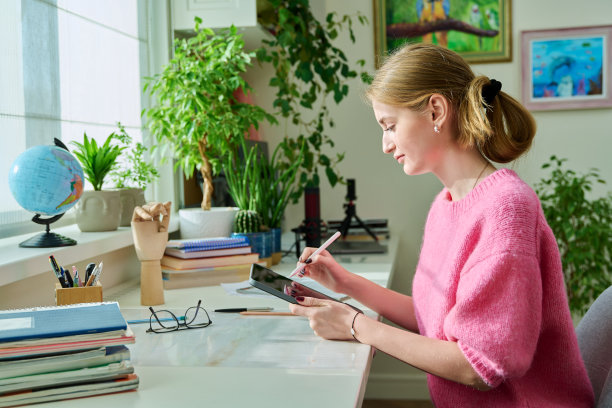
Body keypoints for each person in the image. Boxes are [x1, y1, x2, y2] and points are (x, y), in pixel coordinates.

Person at [288, 43, 594, 407]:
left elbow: (480, 366)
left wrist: (357, 326)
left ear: (435, 110)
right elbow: (436, 319)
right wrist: (344, 283)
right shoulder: (445, 205)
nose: (386, 145)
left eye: (389, 126)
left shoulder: (506, 209)